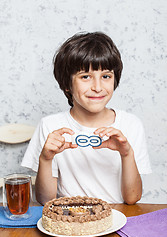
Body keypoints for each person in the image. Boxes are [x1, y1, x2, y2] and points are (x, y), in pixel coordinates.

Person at [21, 32, 152, 205]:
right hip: (70, 221)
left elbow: (132, 198)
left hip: (116, 219)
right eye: (85, 77)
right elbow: (46, 200)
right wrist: (45, 159)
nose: (97, 87)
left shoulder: (130, 124)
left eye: (106, 76)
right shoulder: (50, 126)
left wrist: (126, 154)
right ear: (67, 84)